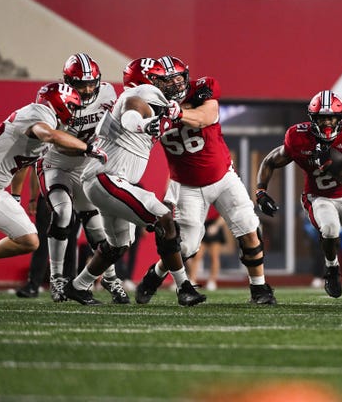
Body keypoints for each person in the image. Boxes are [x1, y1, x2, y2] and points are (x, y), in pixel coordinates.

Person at [134, 55, 277, 305]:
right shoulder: (147, 107)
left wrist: (176, 113)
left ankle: (260, 289)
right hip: (187, 186)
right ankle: (154, 276)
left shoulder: (203, 88)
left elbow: (207, 116)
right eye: (168, 81)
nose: (176, 85)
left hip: (223, 178)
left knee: (249, 228)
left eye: (179, 78)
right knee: (186, 248)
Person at [63, 57, 205, 306]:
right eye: (163, 79)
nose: (172, 84)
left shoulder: (153, 99)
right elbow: (133, 113)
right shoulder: (142, 93)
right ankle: (183, 287)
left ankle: (79, 286)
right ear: (146, 80)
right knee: (164, 219)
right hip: (106, 178)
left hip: (107, 180)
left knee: (118, 245)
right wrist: (146, 124)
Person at [256, 90, 342, 309]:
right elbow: (270, 160)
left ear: (341, 118)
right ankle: (332, 267)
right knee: (330, 227)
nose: (327, 122)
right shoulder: (298, 137)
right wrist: (260, 191)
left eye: (331, 117)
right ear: (312, 118)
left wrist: (331, 167)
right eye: (322, 117)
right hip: (317, 196)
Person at [35, 53, 130, 303]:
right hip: (57, 164)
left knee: (98, 229)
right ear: (68, 81)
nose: (87, 89)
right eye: (80, 84)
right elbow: (58, 142)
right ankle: (58, 279)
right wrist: (87, 147)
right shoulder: (54, 97)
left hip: (87, 168)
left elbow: (115, 125)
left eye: (91, 83)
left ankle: (110, 278)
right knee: (63, 213)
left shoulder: (108, 93)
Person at [0, 83, 107, 266]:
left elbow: (23, 161)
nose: (74, 113)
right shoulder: (40, 113)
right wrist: (88, 148)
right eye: (71, 107)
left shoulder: (49, 123)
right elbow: (49, 135)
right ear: (59, 103)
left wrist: (15, 195)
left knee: (28, 240)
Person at [14, 166, 80, 298]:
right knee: (42, 241)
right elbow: (35, 169)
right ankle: (33, 284)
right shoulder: (45, 146)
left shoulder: (80, 146)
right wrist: (33, 198)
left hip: (74, 193)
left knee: (70, 240)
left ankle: (69, 285)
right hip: (49, 193)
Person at [185, 205, 227, 290]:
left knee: (214, 256)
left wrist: (216, 226)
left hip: (215, 225)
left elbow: (224, 214)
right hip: (202, 225)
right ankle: (192, 280)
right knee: (197, 255)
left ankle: (212, 281)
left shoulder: (219, 198)